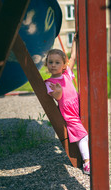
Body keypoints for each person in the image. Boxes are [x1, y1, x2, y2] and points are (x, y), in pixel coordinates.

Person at [44, 34, 90, 175]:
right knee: (82, 135)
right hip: (68, 110)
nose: (53, 65)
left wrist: (75, 42)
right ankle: (87, 163)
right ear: (47, 64)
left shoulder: (67, 74)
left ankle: (89, 154)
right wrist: (58, 91)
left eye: (57, 62)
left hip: (79, 105)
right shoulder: (49, 83)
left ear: (63, 65)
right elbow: (57, 97)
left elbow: (73, 57)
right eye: (50, 62)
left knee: (86, 131)